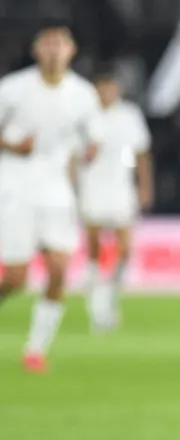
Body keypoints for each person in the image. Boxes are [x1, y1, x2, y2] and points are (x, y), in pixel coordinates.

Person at [0, 24, 102, 373]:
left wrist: (90, 152)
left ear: (71, 51)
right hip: (14, 189)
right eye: (48, 43)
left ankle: (35, 350)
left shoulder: (83, 94)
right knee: (15, 278)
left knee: (59, 270)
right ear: (36, 50)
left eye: (61, 43)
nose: (55, 49)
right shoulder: (12, 89)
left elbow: (94, 138)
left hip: (56, 192)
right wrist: (12, 146)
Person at [78, 66, 154, 332]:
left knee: (124, 250)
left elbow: (141, 153)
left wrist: (145, 186)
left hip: (121, 189)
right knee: (94, 249)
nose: (106, 92)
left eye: (110, 87)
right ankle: (97, 305)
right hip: (91, 188)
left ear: (117, 90)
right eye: (101, 88)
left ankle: (109, 295)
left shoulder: (129, 115)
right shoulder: (86, 116)